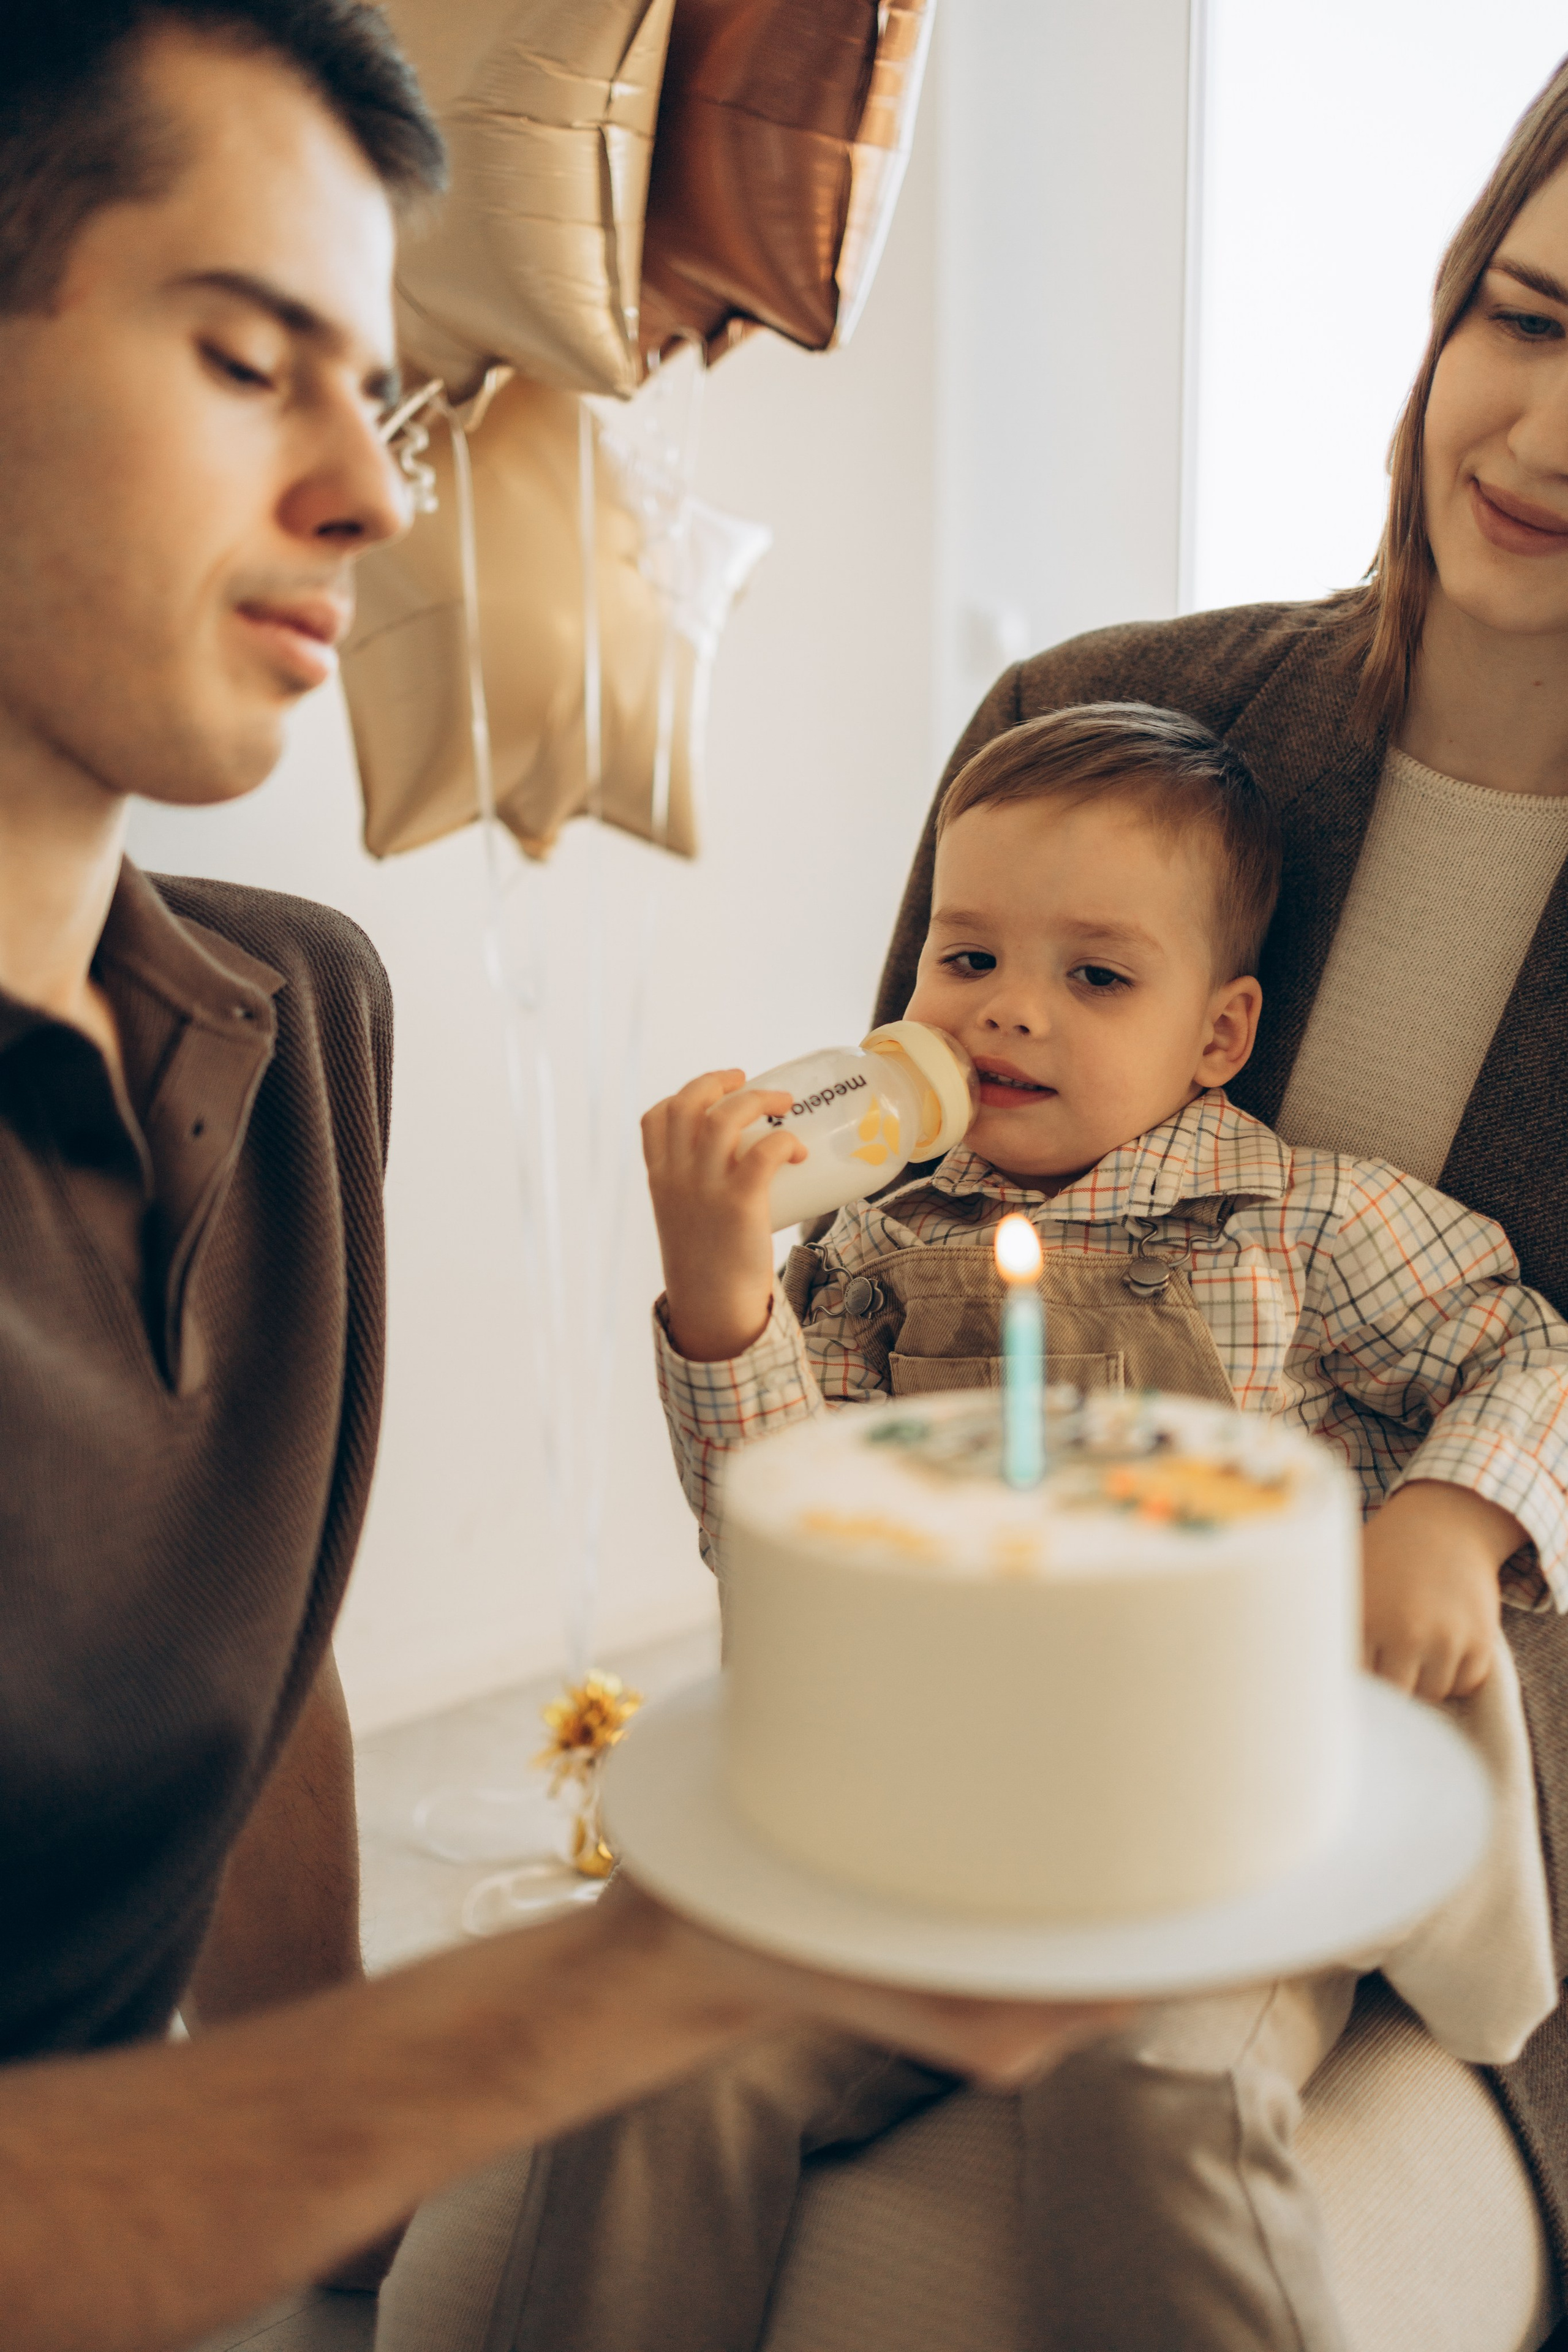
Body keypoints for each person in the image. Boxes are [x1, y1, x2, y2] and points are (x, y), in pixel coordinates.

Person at [0, 9, 1117, 2350]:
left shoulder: (289, 1021)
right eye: (241, 360)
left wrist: (322, 2191)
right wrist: (645, 1982)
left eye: (372, 383)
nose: (384, 496)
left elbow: (250, 1648)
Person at [505, 700, 1568, 2352]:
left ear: (1216, 1037)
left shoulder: (1302, 1217)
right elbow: (786, 1549)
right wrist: (724, 1300)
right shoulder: (859, 1253)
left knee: (1151, 2087)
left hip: (1229, 1825)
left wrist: (1453, 1514)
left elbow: (1532, 1352)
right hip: (929, 1813)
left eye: (1094, 977)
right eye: (964, 956)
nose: (1006, 1012)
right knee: (660, 2050)